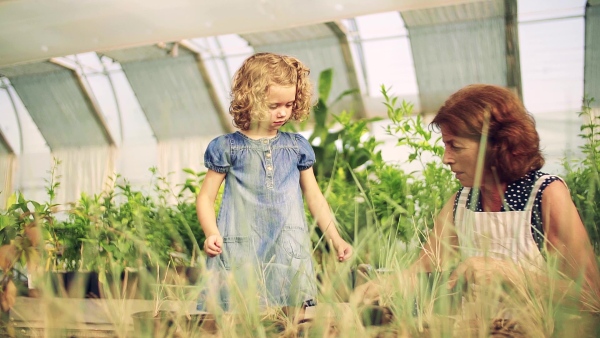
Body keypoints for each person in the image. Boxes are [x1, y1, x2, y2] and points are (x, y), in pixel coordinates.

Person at [353, 84, 600, 314]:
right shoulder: (462, 202)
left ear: (495, 145)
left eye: (455, 146)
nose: (446, 158)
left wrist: (508, 274)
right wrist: (386, 284)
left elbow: (590, 295)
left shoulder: (544, 195)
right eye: (445, 146)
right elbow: (424, 267)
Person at [196, 52, 353, 312]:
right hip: (240, 247)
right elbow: (205, 197)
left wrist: (336, 239)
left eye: (289, 104)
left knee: (290, 316)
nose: (282, 112)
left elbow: (314, 197)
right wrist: (211, 232)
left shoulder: (296, 147)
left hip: (287, 248)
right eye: (273, 106)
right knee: (240, 312)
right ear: (250, 99)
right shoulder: (228, 147)